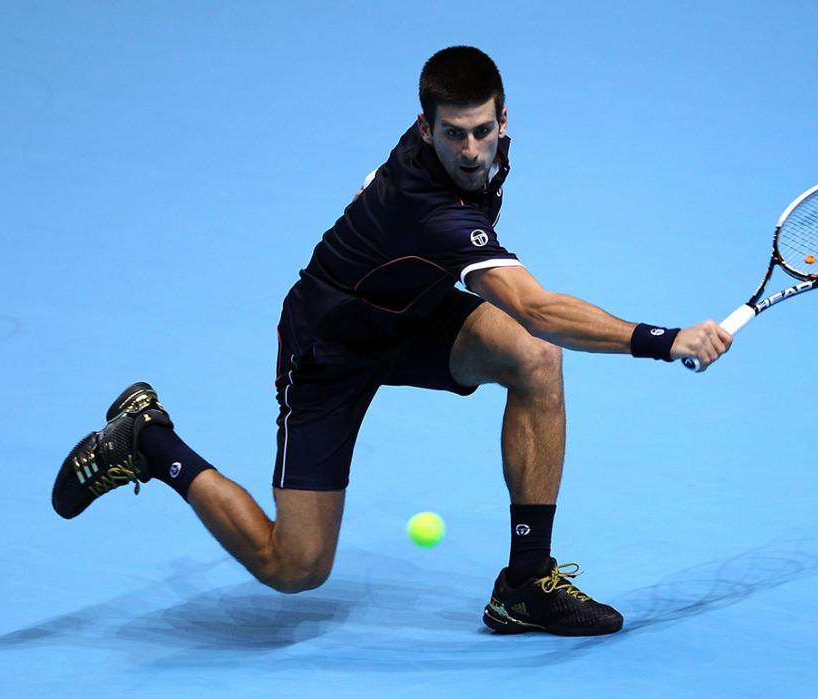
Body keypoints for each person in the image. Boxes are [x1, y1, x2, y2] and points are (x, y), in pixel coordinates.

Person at [52, 46, 731, 637]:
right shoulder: (427, 206)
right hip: (330, 348)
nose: (471, 151)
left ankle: (527, 585)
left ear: (503, 121)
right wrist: (663, 340)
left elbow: (528, 324)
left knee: (532, 358)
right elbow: (536, 305)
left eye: (483, 131)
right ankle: (146, 440)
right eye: (454, 135)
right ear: (424, 128)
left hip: (412, 314)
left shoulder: (481, 153)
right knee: (294, 566)